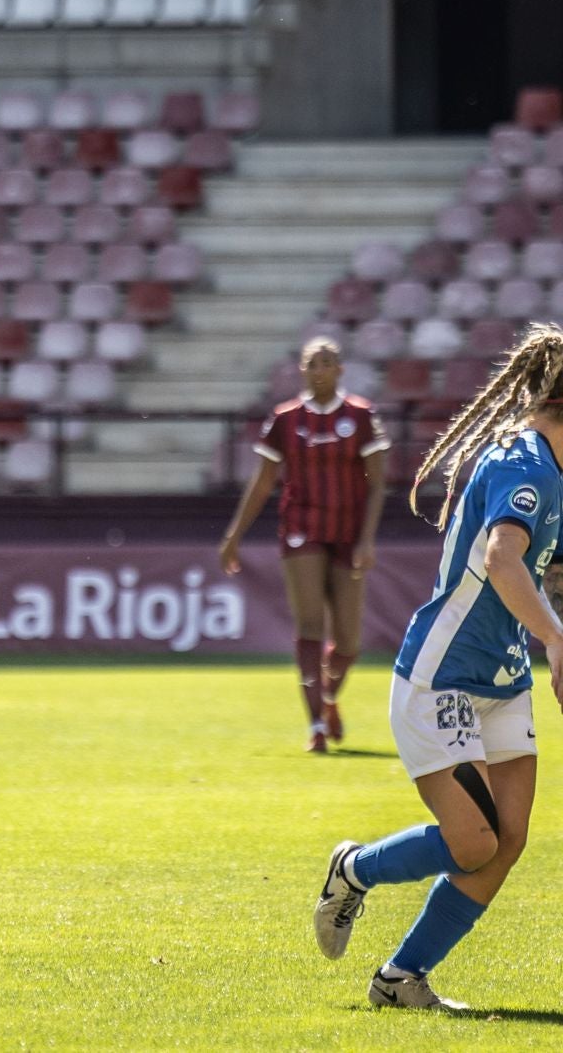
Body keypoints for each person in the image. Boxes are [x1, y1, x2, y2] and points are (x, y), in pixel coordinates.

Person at [311, 323, 563, 1011]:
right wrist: (556, 639)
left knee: (505, 843)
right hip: (442, 675)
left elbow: (548, 567)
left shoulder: (549, 464)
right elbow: (503, 560)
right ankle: (354, 869)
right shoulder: (529, 468)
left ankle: (401, 980)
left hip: (503, 683)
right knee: (473, 842)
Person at [220, 337, 389, 751]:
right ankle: (314, 723)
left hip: (348, 533)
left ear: (340, 370)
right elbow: (262, 484)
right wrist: (234, 536)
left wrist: (368, 539)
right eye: (313, 363)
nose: (320, 370)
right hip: (301, 529)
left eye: (327, 362)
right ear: (302, 370)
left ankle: (328, 696)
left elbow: (377, 484)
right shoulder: (285, 420)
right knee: (310, 625)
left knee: (349, 642)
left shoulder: (362, 417)